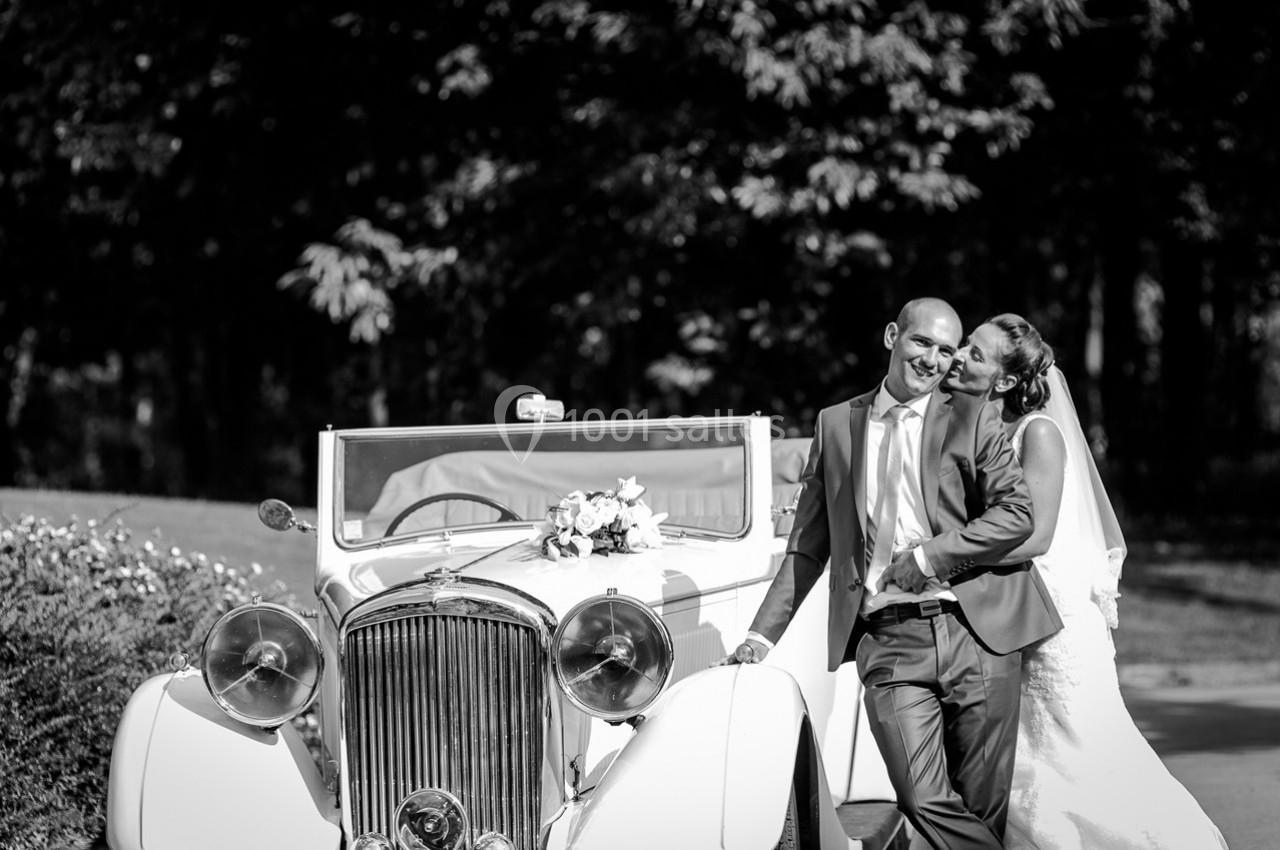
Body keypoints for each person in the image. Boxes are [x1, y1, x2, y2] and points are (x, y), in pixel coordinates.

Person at [724, 297, 1062, 849]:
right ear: (892, 337)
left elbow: (1018, 514)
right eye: (921, 342)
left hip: (976, 633)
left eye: (946, 350)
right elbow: (809, 546)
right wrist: (761, 636)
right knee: (921, 797)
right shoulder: (836, 424)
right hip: (889, 638)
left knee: (981, 804)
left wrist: (931, 556)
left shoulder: (972, 416)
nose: (932, 359)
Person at [943, 313, 1229, 850]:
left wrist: (940, 560)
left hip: (1057, 627)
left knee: (1087, 757)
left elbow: (1035, 536)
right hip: (1012, 615)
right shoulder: (975, 430)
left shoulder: (1039, 433)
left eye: (975, 353)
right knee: (1030, 762)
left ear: (1005, 381)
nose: (959, 356)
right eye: (964, 346)